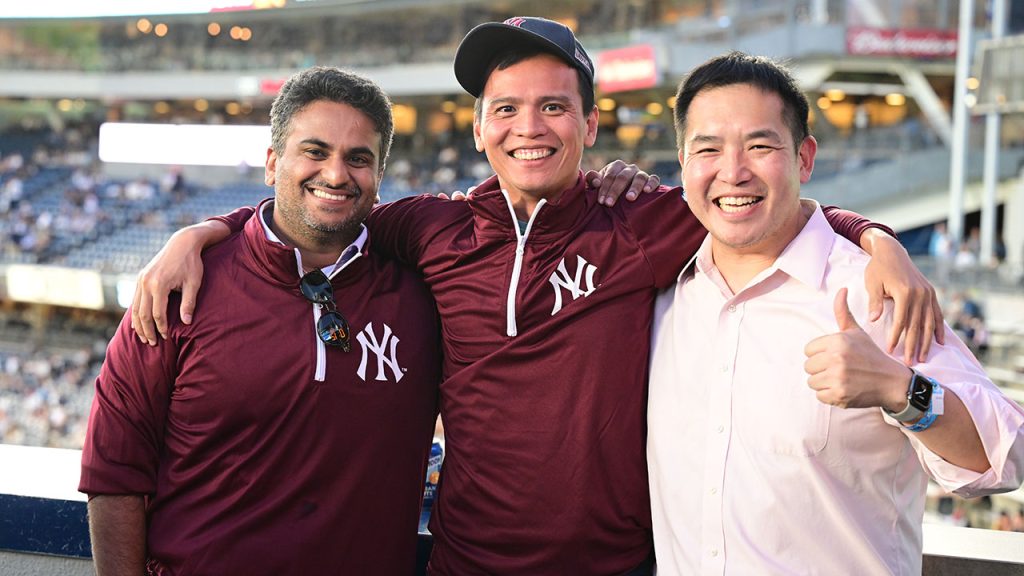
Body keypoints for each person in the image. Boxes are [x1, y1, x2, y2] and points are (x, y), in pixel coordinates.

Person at [129, 19, 942, 575]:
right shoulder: (431, 228)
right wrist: (203, 231)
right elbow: (318, 210)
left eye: (554, 106)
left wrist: (875, 239)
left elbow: (762, 200)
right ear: (479, 128)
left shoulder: (644, 221)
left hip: (615, 566)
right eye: (506, 109)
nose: (530, 127)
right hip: (464, 563)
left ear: (590, 124)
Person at [646, 52, 1024, 575]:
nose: (732, 172)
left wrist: (900, 390)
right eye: (708, 149)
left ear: (804, 159)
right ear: (683, 163)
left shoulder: (874, 292)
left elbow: (1002, 458)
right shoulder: (660, 292)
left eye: (760, 146)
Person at [78, 67, 444, 575]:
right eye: (315, 151)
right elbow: (115, 470)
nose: (336, 175)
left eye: (358, 159)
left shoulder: (425, 294)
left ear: (379, 177)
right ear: (273, 162)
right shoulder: (179, 288)